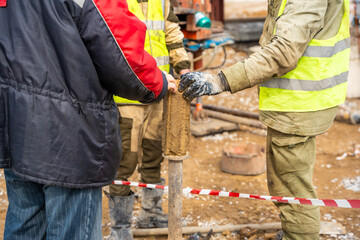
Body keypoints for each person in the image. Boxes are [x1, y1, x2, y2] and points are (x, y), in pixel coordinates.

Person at [0, 0, 176, 239]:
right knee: (72, 229)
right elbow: (119, 50)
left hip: (16, 124)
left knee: (26, 224)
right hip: (69, 135)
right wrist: (157, 82)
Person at [178, 0, 350, 239]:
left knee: (293, 191)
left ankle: (299, 234)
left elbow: (283, 52)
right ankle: (293, 230)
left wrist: (220, 80)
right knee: (285, 184)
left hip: (299, 103)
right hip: (297, 102)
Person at [106, 0, 191, 238]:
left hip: (159, 92)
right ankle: (120, 227)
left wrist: (183, 68)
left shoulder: (161, 2)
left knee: (153, 154)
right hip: (127, 97)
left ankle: (151, 214)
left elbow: (172, 32)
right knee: (124, 161)